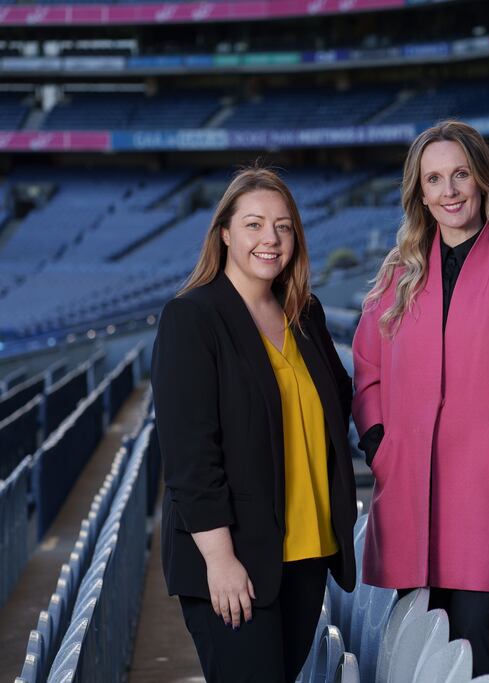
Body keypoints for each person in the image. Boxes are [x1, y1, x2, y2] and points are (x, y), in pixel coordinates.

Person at [151, 167, 357, 683]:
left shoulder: (303, 313)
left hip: (306, 555)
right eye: (254, 224)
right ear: (224, 233)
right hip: (235, 561)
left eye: (283, 227)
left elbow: (338, 405)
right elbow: (189, 455)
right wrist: (220, 559)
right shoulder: (192, 317)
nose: (271, 239)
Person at [352, 120, 489, 679]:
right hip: (410, 491)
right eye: (434, 179)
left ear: (482, 179)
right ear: (420, 192)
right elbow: (368, 371)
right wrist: (380, 444)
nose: (450, 190)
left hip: (488, 495)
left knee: (478, 657)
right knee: (419, 661)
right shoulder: (398, 276)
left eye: (460, 174)